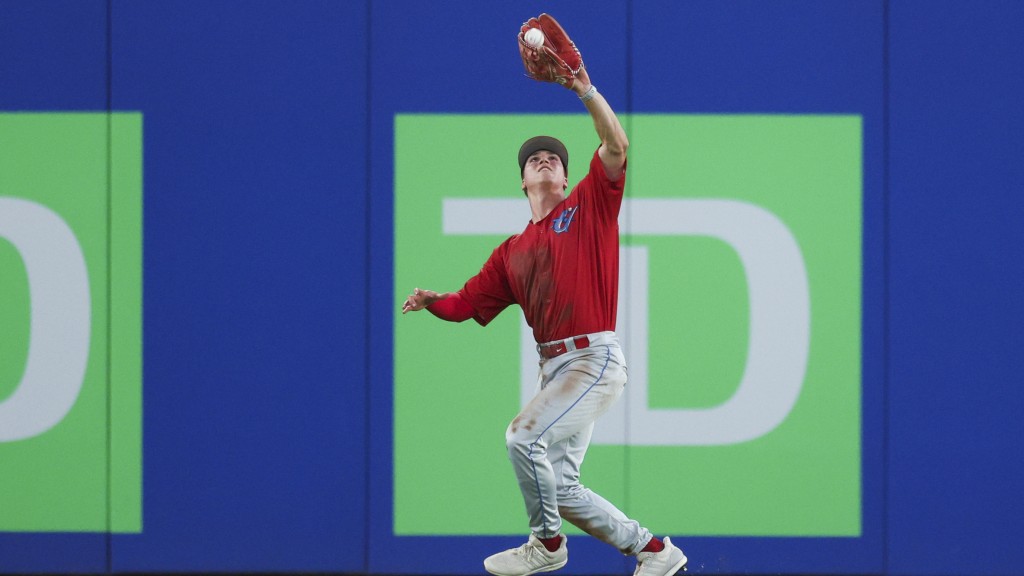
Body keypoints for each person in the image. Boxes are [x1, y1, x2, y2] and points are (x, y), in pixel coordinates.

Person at [400, 34, 687, 576]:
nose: (545, 158)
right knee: (560, 483)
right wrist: (434, 301)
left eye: (554, 155)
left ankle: (546, 547)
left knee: (520, 437)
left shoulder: (588, 206)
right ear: (524, 179)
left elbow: (617, 147)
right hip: (554, 369)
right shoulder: (512, 252)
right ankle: (655, 552)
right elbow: (467, 303)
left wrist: (584, 88)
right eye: (535, 157)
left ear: (563, 174)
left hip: (594, 359)